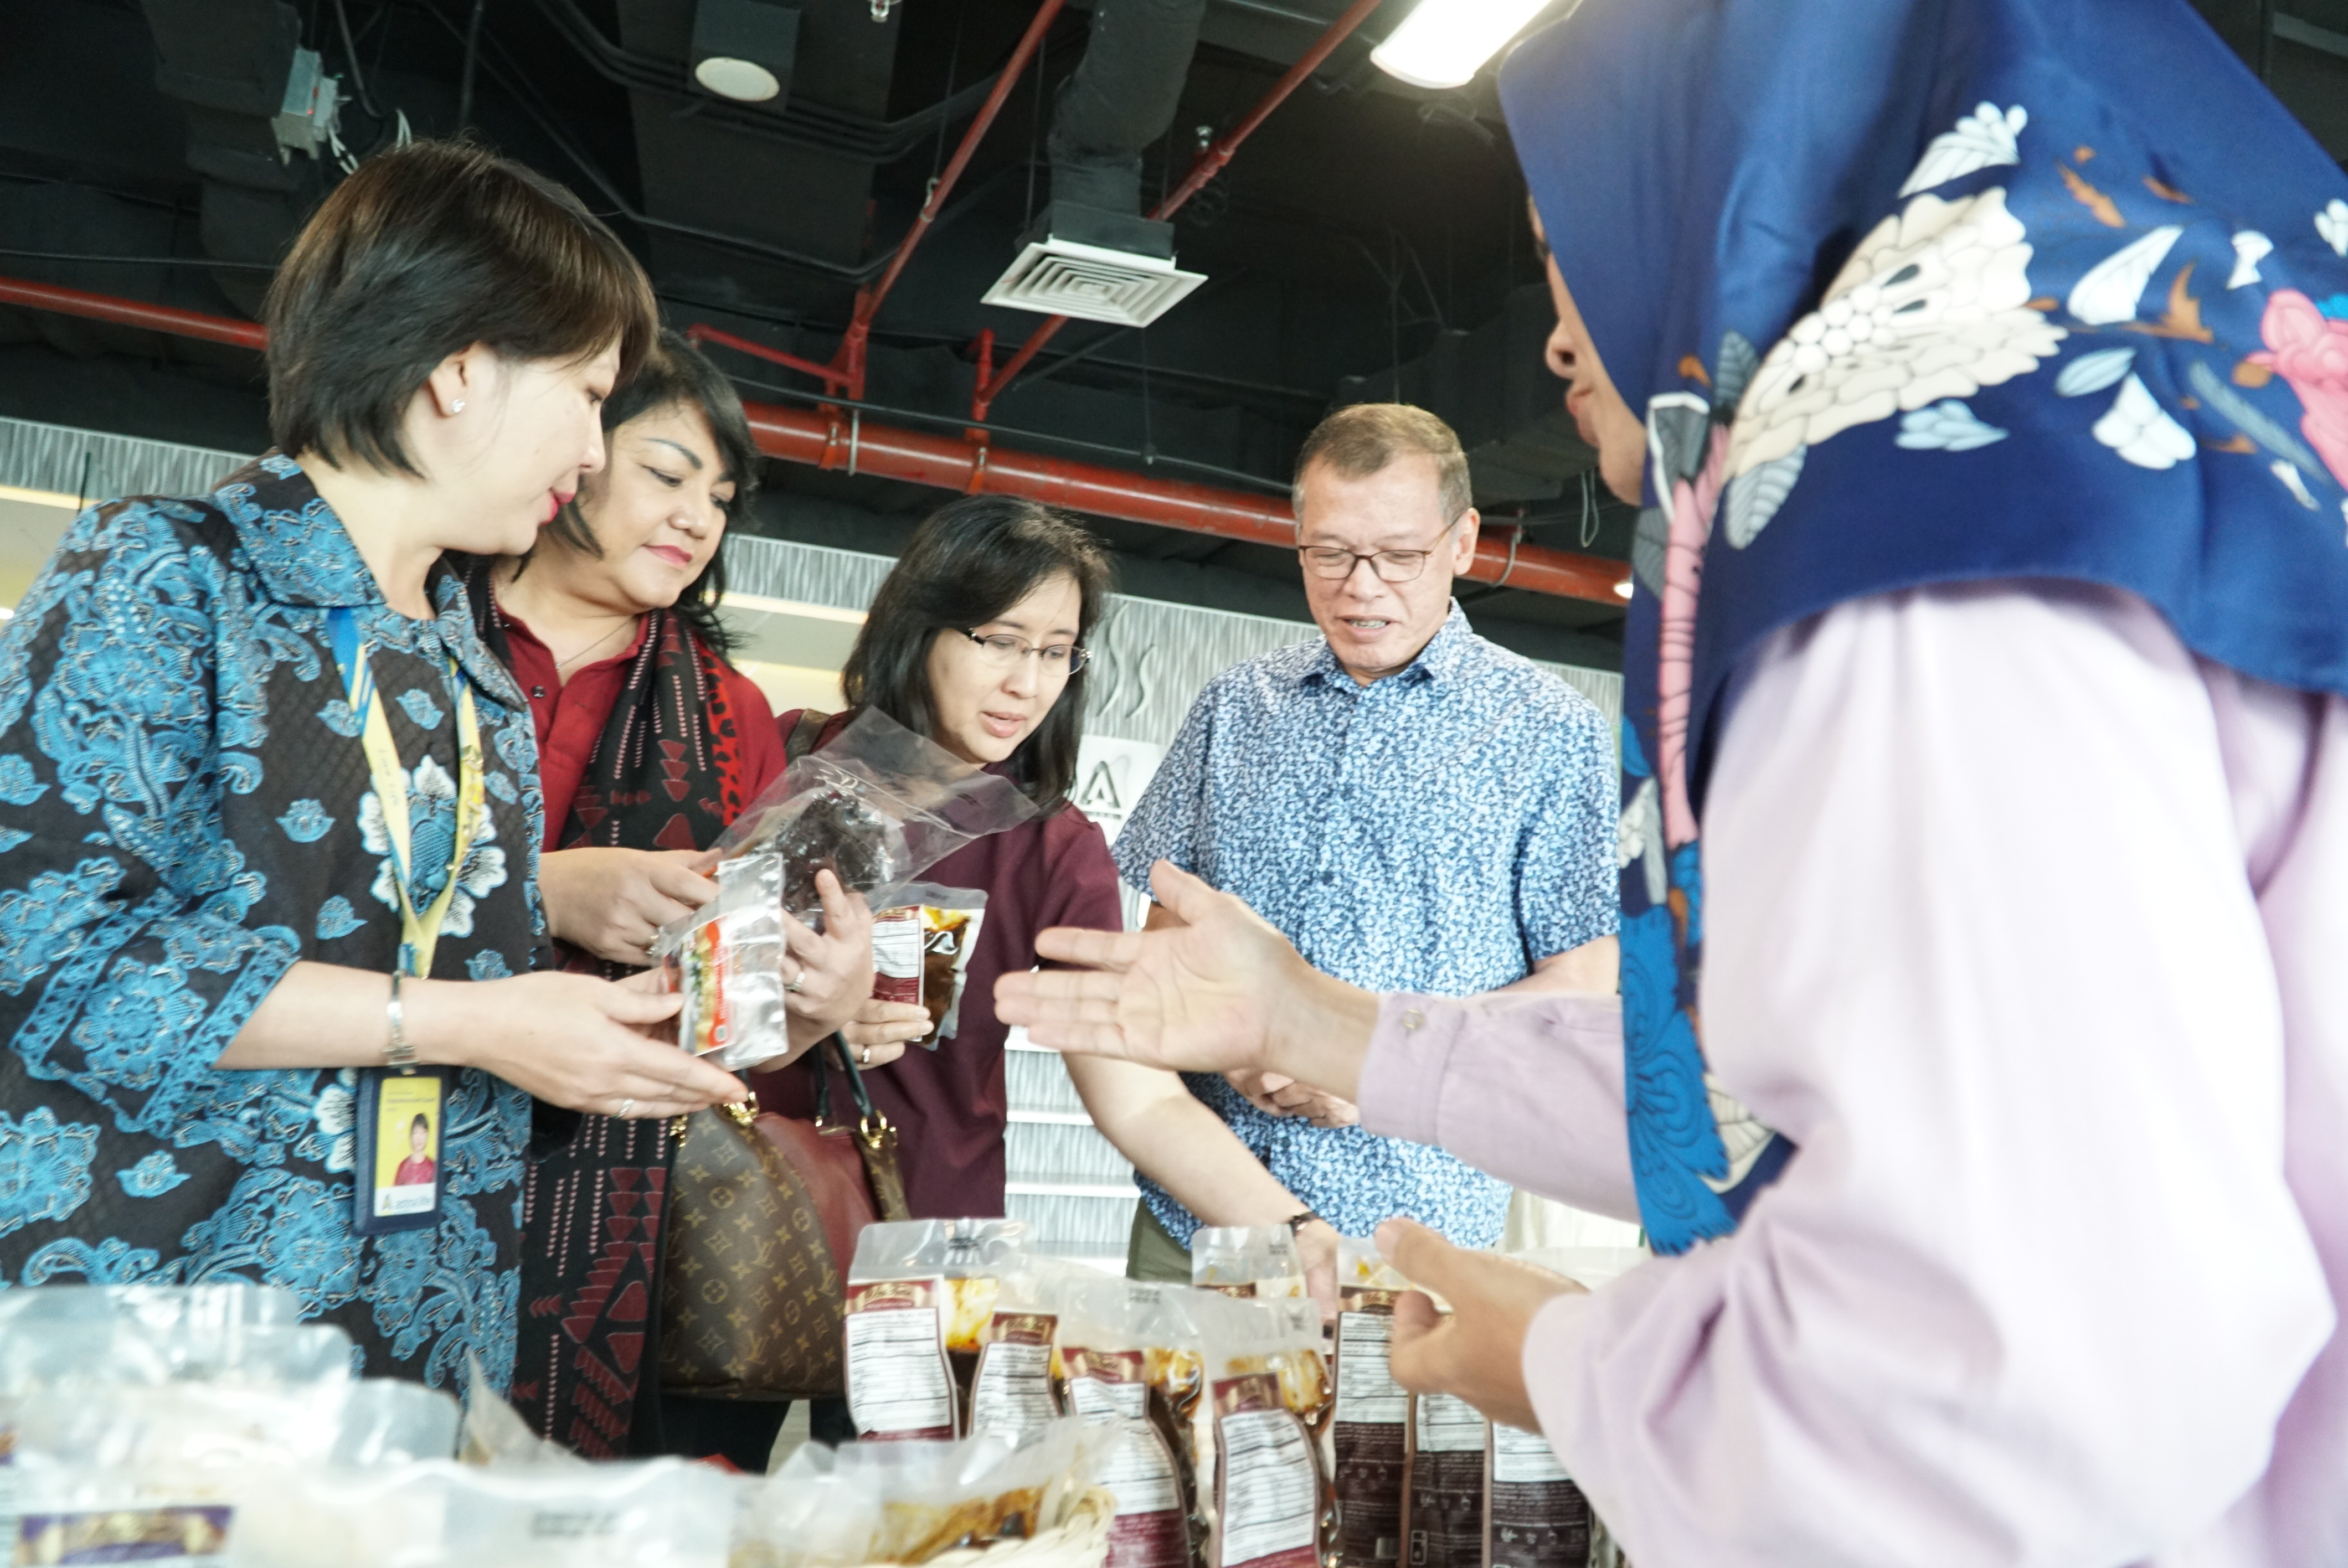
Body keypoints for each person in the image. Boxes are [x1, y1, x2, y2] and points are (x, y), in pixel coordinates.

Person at [1002, 0, 2348, 1561]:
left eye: (1566, 242)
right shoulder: (2147, 471)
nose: (1555, 336)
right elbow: (1755, 1081)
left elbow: (1980, 1406)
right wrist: (1309, 1020)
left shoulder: (1914, 558)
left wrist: (1552, 1354)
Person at [0, 140, 744, 1386]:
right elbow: (47, 957)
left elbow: (454, 976)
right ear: (460, 370)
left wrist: (643, 1017)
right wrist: (473, 1023)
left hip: (419, 1325)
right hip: (160, 1334)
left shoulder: (470, 666)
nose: (592, 450)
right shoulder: (167, 574)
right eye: (585, 394)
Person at [1065, 403, 1618, 1297]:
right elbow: (1171, 934)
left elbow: (1583, 983)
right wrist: (1237, 1043)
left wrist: (1379, 1069)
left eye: (1399, 556)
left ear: (1463, 542)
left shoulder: (1551, 731)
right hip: (1199, 1215)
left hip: (1412, 1231)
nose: (1361, 587)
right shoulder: (1236, 707)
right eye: (1329, 553)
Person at [465, 330, 892, 1455]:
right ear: (571, 443)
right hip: (381, 1139)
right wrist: (539, 893)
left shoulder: (729, 715)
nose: (698, 518)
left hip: (613, 1204)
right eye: (667, 473)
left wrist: (818, 1003)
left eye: (721, 498)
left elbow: (738, 1022)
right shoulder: (420, 634)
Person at [749, 495, 1125, 1455]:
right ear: (921, 627)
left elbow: (1125, 1072)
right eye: (1000, 640)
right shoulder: (792, 761)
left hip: (933, 1234)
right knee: (693, 1489)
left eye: (1056, 652)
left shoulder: (1055, 846)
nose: (1027, 683)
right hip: (739, 1198)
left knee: (902, 1512)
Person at [393, 1115, 437, 1189]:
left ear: (427, 1135)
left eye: (423, 1133)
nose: (419, 1138)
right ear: (411, 1136)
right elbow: (395, 1193)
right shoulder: (403, 1166)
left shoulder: (432, 1167)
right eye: (415, 1133)